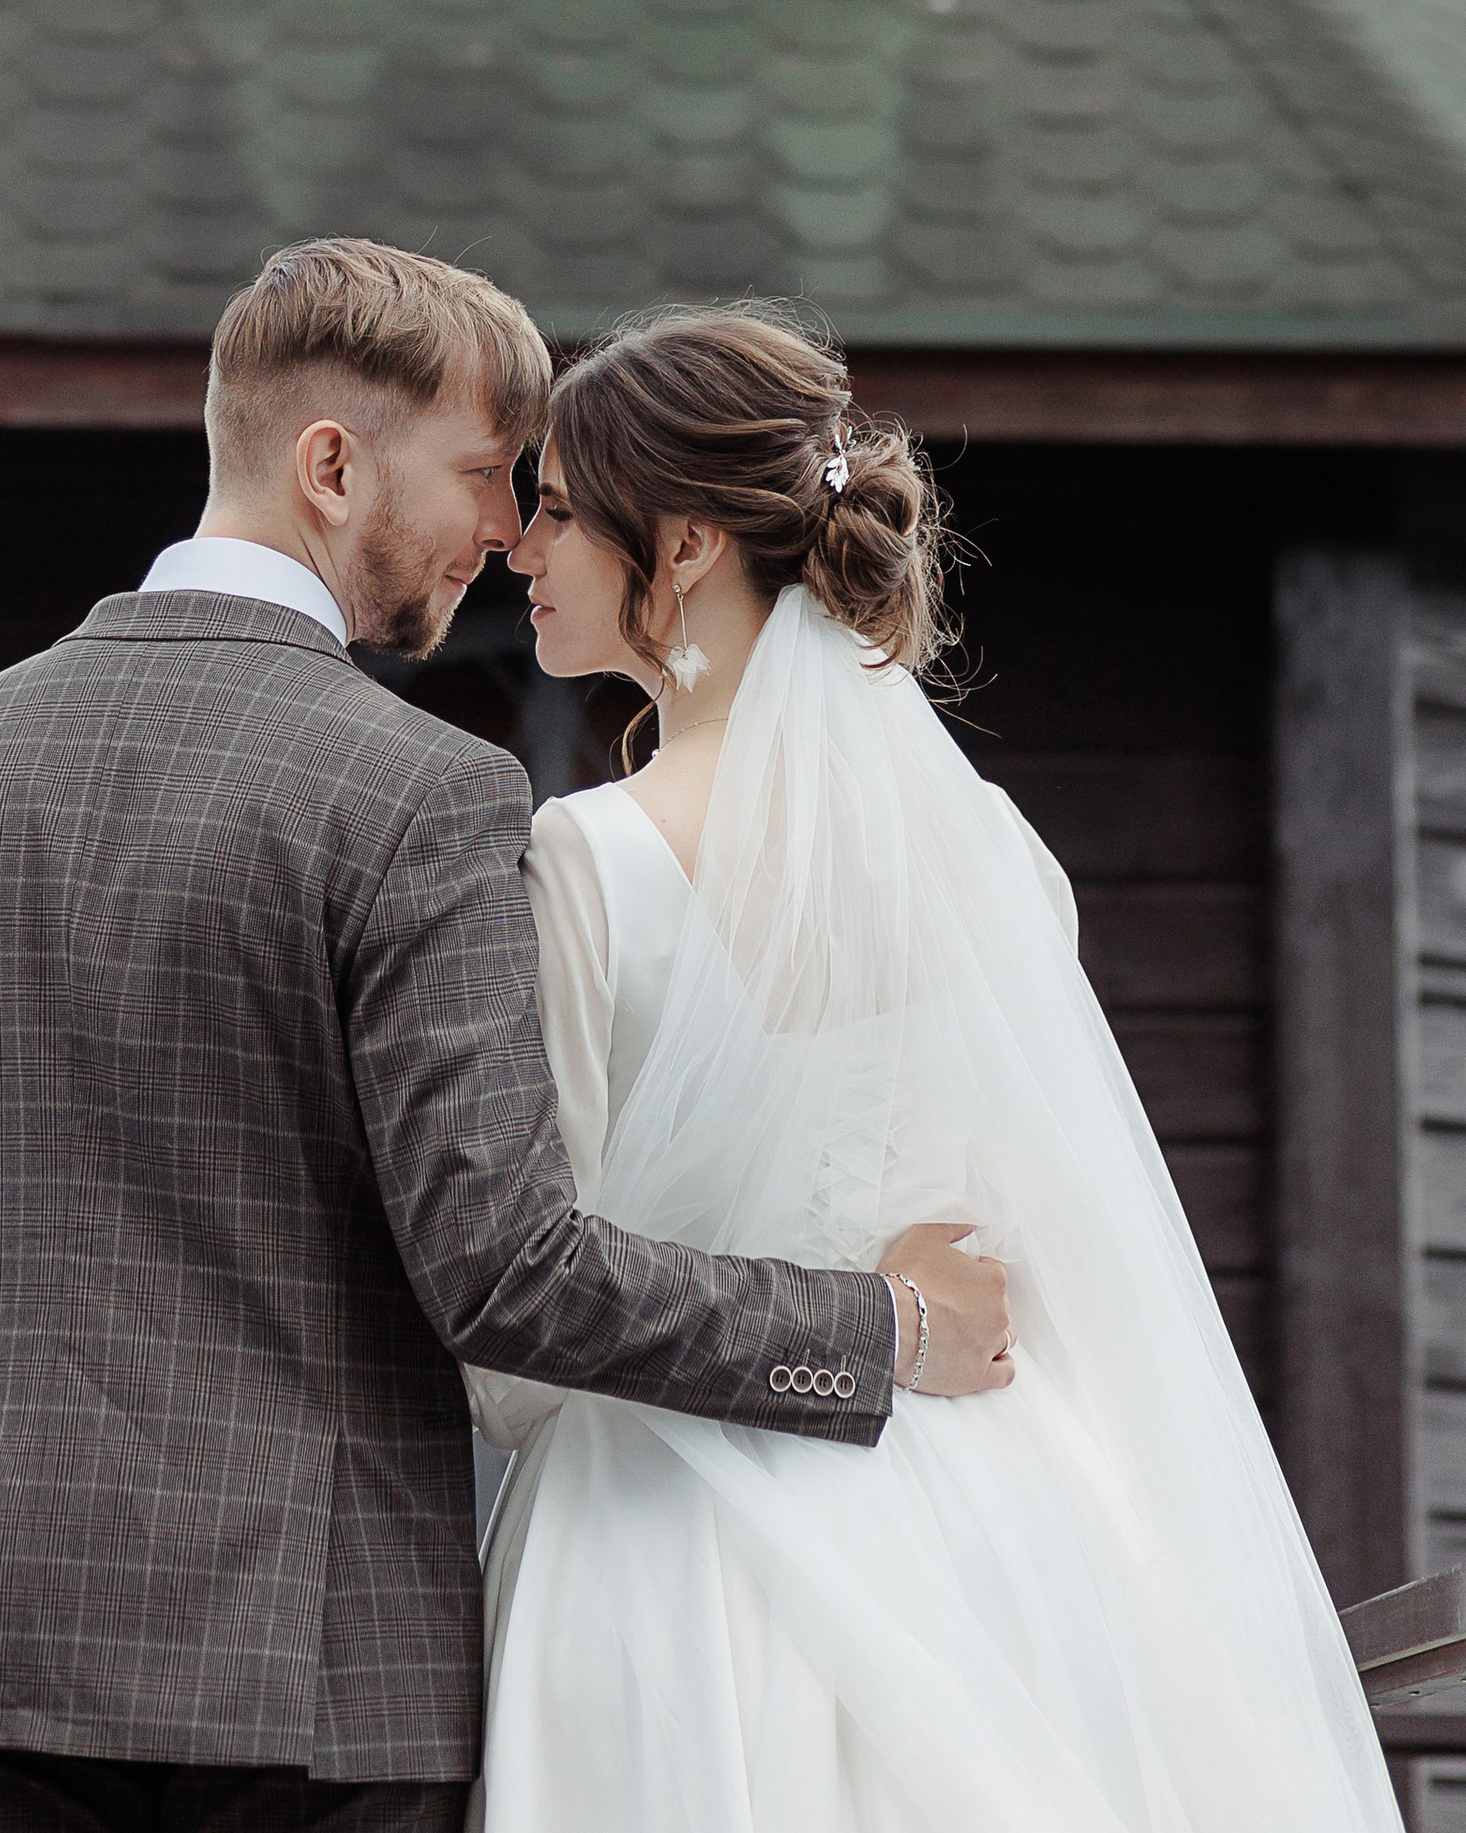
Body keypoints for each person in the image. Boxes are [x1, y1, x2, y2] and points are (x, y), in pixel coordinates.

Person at [0, 239, 1014, 1833]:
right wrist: (874, 1330)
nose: (505, 530)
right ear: (330, 467)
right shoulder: (425, 795)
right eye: (483, 474)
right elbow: (504, 1272)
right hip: (315, 1686)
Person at [477, 304, 1404, 1833]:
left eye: (562, 513)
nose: (521, 550)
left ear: (687, 544)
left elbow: (517, 1363)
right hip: (996, 1542)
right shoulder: (999, 859)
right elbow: (1048, 1258)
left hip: (664, 1564)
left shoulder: (588, 860)